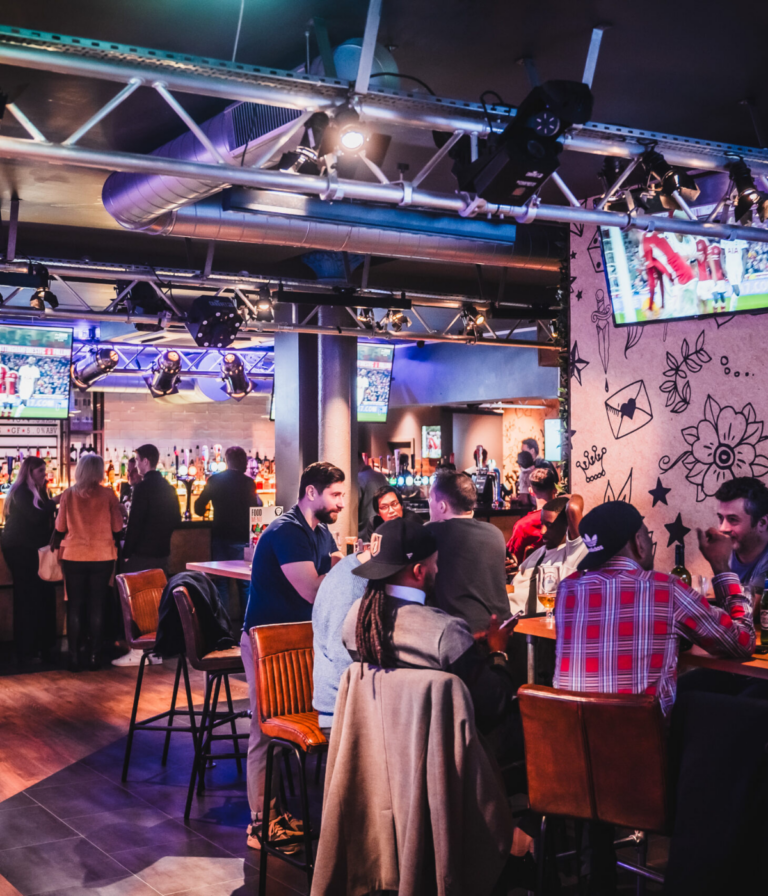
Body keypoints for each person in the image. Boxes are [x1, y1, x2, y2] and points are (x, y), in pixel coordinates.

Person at [553, 501, 755, 894]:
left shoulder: (567, 591)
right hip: (641, 776)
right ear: (636, 543)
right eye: (646, 533)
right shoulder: (664, 589)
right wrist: (724, 569)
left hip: (570, 770)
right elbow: (740, 640)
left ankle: (599, 864)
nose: (650, 540)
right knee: (734, 711)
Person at [343, 517, 520, 760]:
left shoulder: (357, 620)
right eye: (435, 563)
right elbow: (493, 706)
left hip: (383, 753)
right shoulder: (444, 633)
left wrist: (464, 645)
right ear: (418, 571)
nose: (437, 569)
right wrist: (497, 653)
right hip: (442, 758)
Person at [241, 461, 345, 851]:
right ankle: (259, 823)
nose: (340, 503)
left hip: (297, 641)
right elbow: (314, 590)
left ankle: (279, 813)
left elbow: (334, 568)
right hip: (267, 643)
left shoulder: (318, 531)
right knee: (265, 729)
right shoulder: (287, 531)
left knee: (285, 728)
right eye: (335, 495)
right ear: (311, 493)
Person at [54, 454, 124, 671]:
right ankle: (95, 657)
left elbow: (59, 527)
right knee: (97, 606)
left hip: (74, 556)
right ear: (100, 471)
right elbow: (117, 528)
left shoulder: (68, 495)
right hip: (102, 556)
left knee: (74, 606)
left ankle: (74, 658)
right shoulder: (109, 495)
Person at [425, 470, 510, 632]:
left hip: (459, 634)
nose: (428, 503)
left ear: (442, 506)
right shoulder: (495, 533)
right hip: (500, 632)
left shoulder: (430, 533)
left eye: (430, 499)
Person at [1, 457, 59, 667]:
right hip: (20, 549)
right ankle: (26, 650)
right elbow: (36, 517)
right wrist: (56, 501)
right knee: (28, 597)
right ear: (29, 472)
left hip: (31, 549)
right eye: (40, 471)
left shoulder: (38, 491)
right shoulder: (21, 492)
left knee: (37, 596)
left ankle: (38, 647)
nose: (45, 474)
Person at [194, 445, 262, 620]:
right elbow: (256, 509)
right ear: (243, 462)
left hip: (220, 537)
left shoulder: (215, 480)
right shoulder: (249, 483)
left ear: (227, 460)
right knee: (245, 583)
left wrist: (208, 509)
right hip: (242, 538)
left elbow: (199, 508)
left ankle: (223, 625)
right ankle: (247, 624)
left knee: (221, 582)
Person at [312, 547, 370, 734]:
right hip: (341, 712)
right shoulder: (350, 586)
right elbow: (342, 655)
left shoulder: (352, 567)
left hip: (355, 706)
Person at [509, 495, 586, 615]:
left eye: (549, 526)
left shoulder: (573, 553)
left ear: (567, 526)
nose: (542, 531)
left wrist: (565, 495)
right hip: (507, 615)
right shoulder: (539, 552)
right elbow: (516, 583)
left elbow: (573, 507)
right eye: (542, 524)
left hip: (528, 622)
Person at [122, 443, 181, 576]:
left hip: (142, 554)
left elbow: (135, 523)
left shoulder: (142, 488)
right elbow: (177, 518)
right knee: (159, 591)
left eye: (137, 460)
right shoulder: (169, 487)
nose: (136, 465)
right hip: (163, 553)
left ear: (145, 461)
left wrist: (126, 553)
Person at [714, 477, 768, 588]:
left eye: (733, 519)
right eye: (721, 518)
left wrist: (719, 566)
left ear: (762, 523)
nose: (723, 528)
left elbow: (749, 603)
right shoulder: (728, 554)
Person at [506, 466, 558, 565]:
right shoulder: (565, 518)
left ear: (531, 491)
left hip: (529, 577)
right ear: (555, 489)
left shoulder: (522, 526)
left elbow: (514, 560)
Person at [359, 484, 424, 542]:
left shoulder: (412, 520)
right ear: (378, 513)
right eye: (384, 507)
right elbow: (373, 551)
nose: (391, 510)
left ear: (401, 506)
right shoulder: (374, 523)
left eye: (394, 504)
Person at [357, 453, 388, 533]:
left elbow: (353, 509)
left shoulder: (359, 479)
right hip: (382, 528)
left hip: (365, 533)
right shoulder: (381, 476)